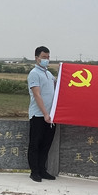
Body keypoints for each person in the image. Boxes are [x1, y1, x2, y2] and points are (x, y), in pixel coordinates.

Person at [26, 46, 57, 183]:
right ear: (37, 58)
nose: (46, 60)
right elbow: (37, 95)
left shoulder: (49, 74)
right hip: (38, 115)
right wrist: (45, 113)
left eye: (48, 57)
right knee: (35, 144)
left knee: (46, 144)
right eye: (44, 57)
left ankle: (42, 170)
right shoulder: (34, 74)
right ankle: (34, 172)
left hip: (51, 117)